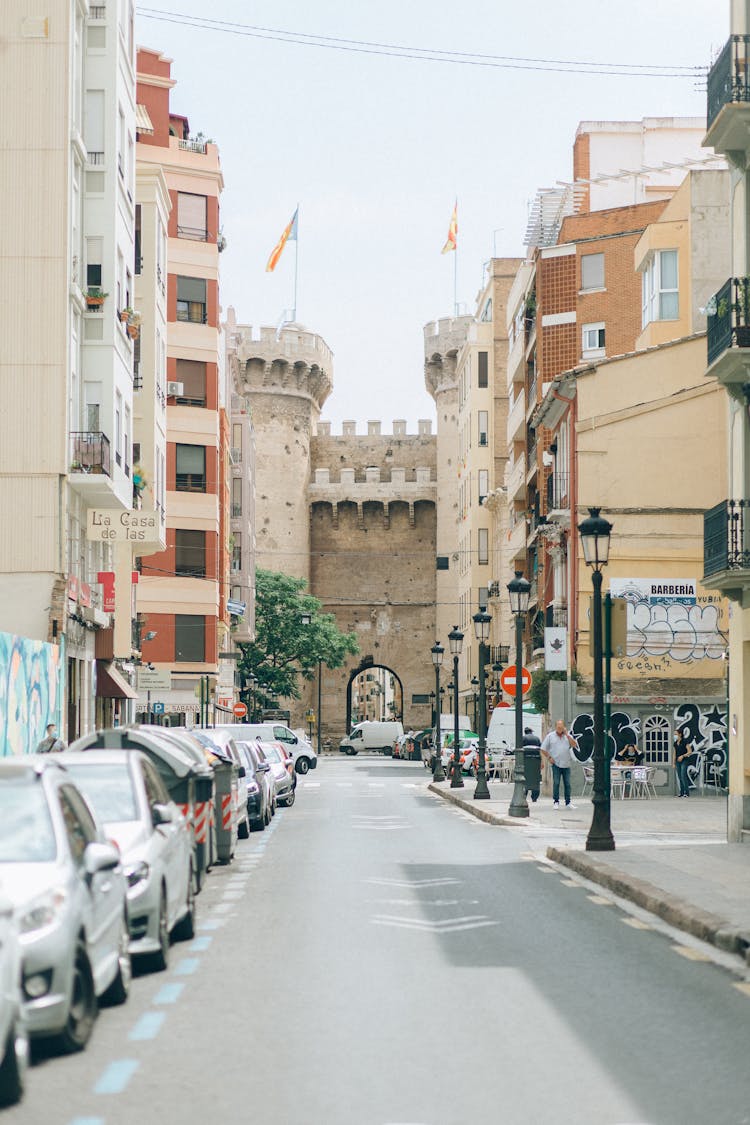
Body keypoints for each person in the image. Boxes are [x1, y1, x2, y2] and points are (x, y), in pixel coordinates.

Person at [541, 718, 578, 809]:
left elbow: (574, 745)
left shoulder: (567, 736)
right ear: (555, 727)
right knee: (556, 783)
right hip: (556, 764)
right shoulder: (550, 736)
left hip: (566, 764)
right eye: (558, 727)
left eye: (561, 727)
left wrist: (567, 735)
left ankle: (568, 802)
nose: (560, 729)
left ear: (564, 727)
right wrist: (549, 757)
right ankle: (556, 801)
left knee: (567, 784)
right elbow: (543, 749)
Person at [522, 726, 542, 802]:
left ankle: (524, 794)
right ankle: (534, 797)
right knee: (535, 778)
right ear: (531, 732)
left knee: (525, 778)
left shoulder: (523, 738)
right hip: (536, 761)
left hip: (525, 761)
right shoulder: (536, 738)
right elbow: (541, 749)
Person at [673, 727, 694, 797]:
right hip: (677, 761)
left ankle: (686, 792)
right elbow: (674, 753)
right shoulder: (675, 743)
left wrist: (683, 756)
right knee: (679, 776)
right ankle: (681, 792)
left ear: (680, 734)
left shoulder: (685, 742)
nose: (675, 735)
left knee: (683, 775)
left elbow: (690, 751)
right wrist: (673, 763)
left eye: (676, 734)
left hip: (684, 760)